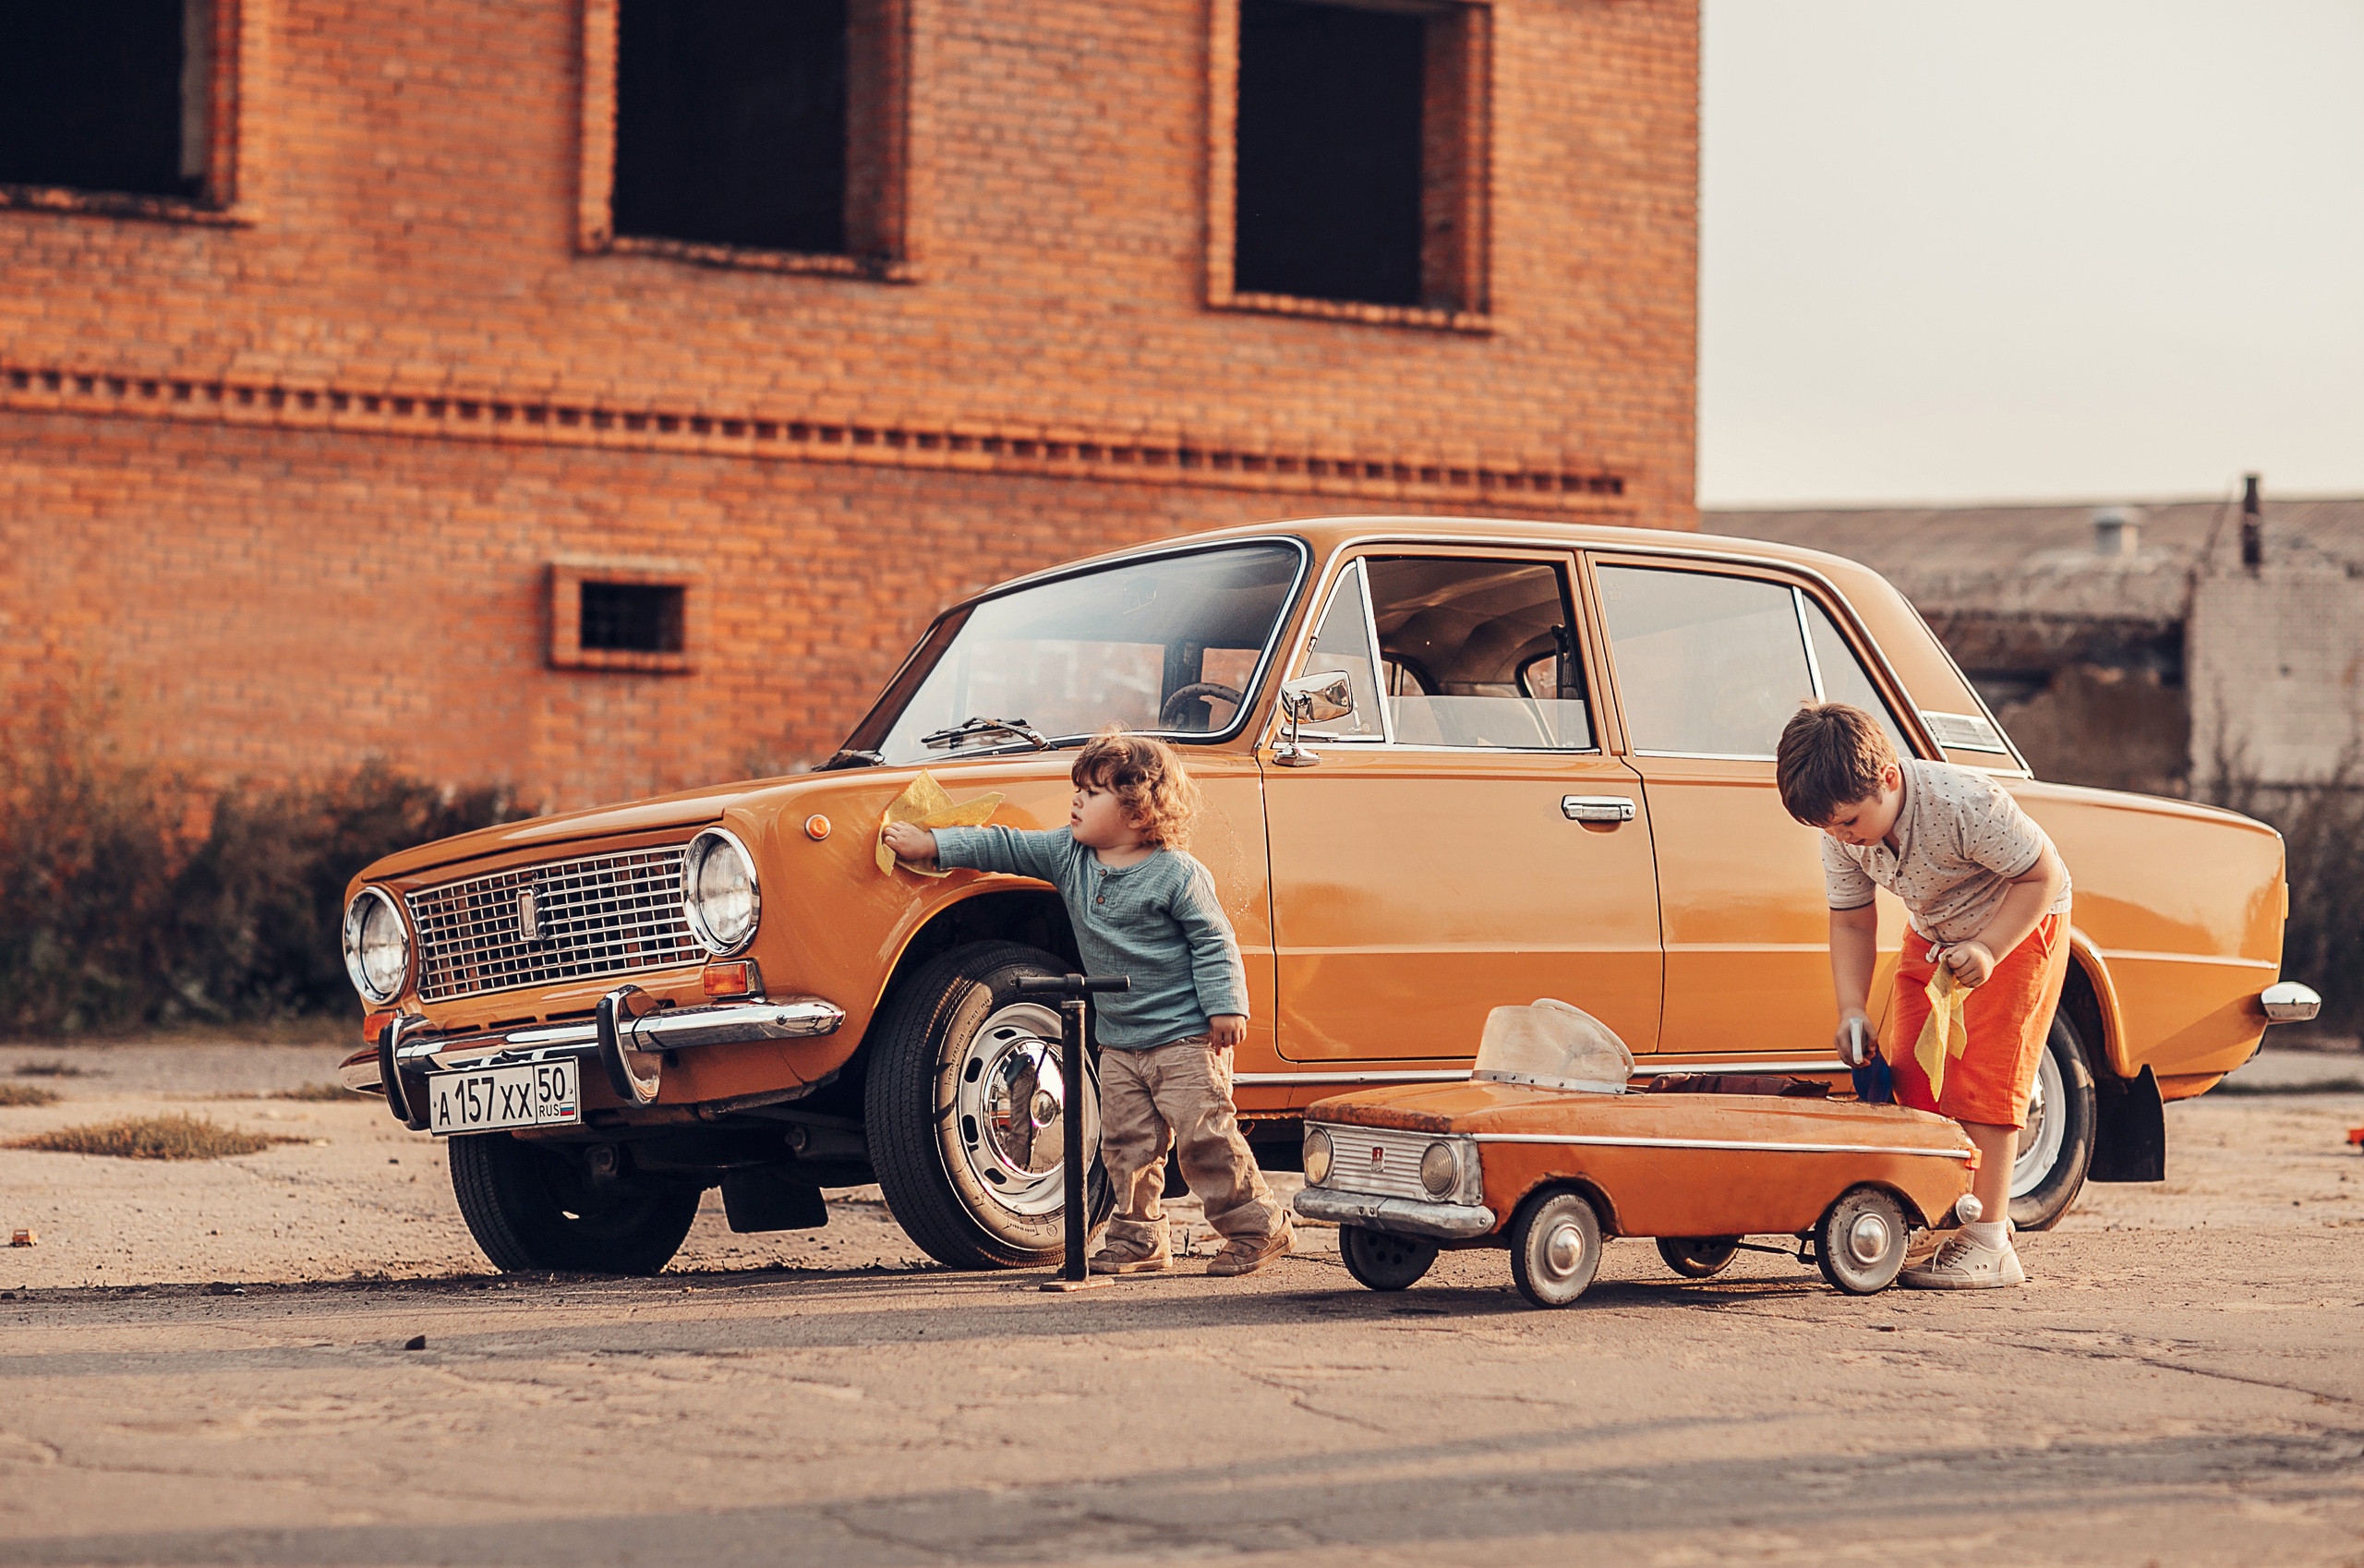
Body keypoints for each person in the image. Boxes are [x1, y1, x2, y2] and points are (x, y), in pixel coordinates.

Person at [881, 729, 1291, 1278]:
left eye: (1093, 792)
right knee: (1125, 1145)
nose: (1076, 800)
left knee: (1204, 1137)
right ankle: (1139, 1239)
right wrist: (932, 845)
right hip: (1119, 1042)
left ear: (1139, 810)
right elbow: (1003, 845)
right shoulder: (1068, 856)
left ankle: (1256, 1226)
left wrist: (1226, 1007)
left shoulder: (1178, 874)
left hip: (1185, 1038)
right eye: (1079, 788)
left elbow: (1214, 942)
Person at [1776, 702, 2073, 1289]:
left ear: (1887, 779)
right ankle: (1940, 1222)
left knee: (1988, 1077)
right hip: (1935, 931)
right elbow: (1853, 922)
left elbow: (2045, 877)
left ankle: (1991, 1241)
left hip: (2017, 925)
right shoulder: (1842, 830)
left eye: (1849, 822)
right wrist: (1852, 1008)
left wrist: (1988, 948)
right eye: (1829, 828)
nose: (1841, 837)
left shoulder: (1964, 803)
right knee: (1913, 1078)